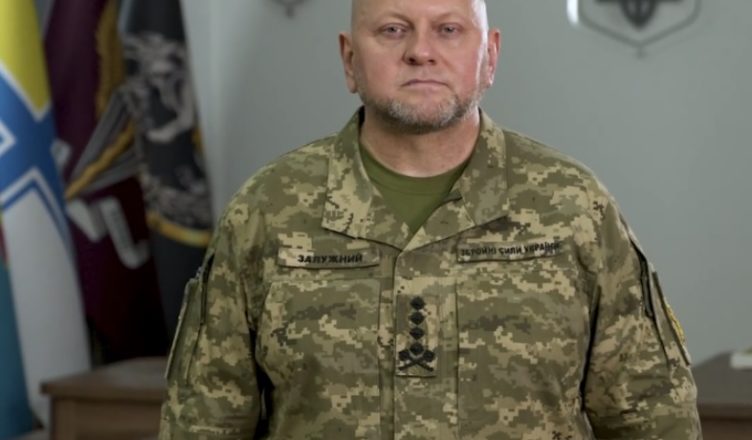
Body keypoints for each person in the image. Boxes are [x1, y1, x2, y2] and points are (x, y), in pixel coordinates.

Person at [158, 0, 702, 438]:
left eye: (448, 30)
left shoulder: (572, 206)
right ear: (349, 59)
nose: (421, 52)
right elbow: (203, 424)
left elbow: (653, 417)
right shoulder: (268, 210)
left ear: (490, 56)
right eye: (393, 30)